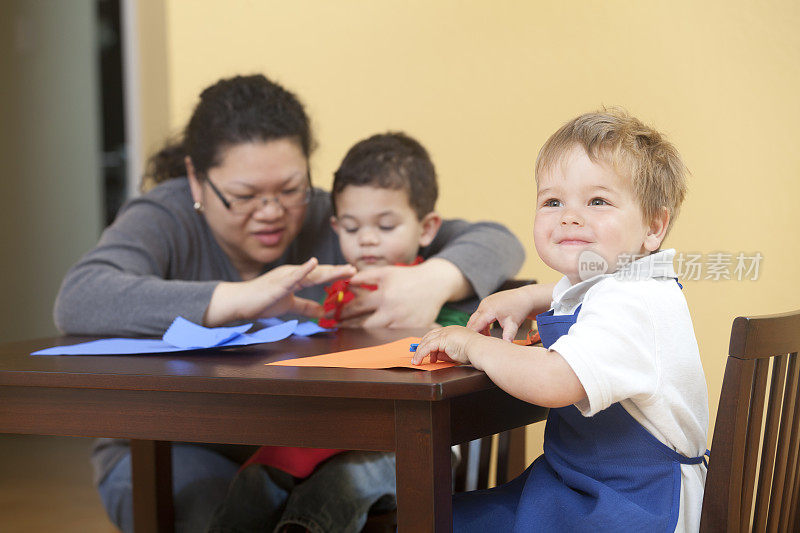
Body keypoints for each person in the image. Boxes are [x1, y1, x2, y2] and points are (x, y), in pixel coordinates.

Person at [52, 74, 525, 533]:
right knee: (231, 515)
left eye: (290, 189)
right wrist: (237, 299)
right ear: (197, 180)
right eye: (244, 195)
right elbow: (80, 296)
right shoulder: (167, 216)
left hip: (310, 445)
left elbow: (495, 241)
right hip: (172, 444)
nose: (273, 211)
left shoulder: (337, 220)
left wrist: (433, 279)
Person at [412, 109, 709, 532]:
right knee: (451, 518)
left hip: (632, 503)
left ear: (653, 227)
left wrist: (472, 343)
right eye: (553, 202)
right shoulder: (632, 282)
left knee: (436, 520)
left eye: (598, 201)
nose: (569, 216)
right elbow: (587, 289)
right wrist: (530, 296)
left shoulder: (631, 301)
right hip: (587, 485)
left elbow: (555, 381)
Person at [210, 131, 475, 532]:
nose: (367, 239)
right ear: (335, 227)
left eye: (385, 226)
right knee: (255, 481)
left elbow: (468, 354)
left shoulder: (436, 292)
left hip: (413, 443)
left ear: (426, 228)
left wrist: (437, 330)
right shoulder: (335, 298)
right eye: (351, 228)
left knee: (338, 485)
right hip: (327, 430)